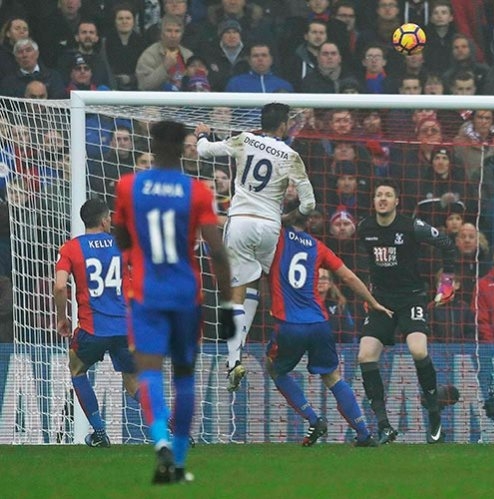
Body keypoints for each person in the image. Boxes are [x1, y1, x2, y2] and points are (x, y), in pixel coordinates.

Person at [113, 120, 235, 484]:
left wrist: (138, 251)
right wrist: (228, 305)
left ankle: (161, 441)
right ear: (184, 148)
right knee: (184, 377)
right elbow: (218, 252)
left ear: (151, 145)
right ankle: (179, 463)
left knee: (149, 371)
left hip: (146, 292)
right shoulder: (196, 191)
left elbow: (121, 237)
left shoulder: (128, 186)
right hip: (186, 294)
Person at [195, 102, 316, 392]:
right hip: (270, 226)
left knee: (236, 292)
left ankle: (233, 359)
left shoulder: (245, 140)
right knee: (260, 286)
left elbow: (204, 151)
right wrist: (289, 217)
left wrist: (202, 134)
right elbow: (309, 204)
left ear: (262, 122)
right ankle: (276, 346)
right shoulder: (291, 155)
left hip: (240, 222)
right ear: (284, 125)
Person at [266, 212, 392, 447]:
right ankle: (364, 434)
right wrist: (373, 302)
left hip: (289, 324)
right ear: (308, 223)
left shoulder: (276, 238)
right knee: (332, 376)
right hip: (319, 323)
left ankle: (313, 419)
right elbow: (349, 277)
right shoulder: (318, 246)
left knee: (274, 369)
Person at [357, 179, 457, 444]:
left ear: (396, 201)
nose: (383, 199)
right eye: (379, 194)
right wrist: (368, 292)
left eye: (388, 195)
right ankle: (384, 425)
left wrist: (446, 282)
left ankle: (434, 416)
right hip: (381, 302)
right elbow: (364, 262)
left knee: (418, 350)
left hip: (411, 298)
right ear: (374, 201)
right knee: (365, 356)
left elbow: (447, 244)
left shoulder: (412, 226)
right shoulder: (364, 228)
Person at [54, 198, 139, 448]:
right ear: (103, 220)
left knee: (77, 369)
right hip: (124, 327)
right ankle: (169, 422)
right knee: (133, 382)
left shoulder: (70, 248)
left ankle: (100, 432)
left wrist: (62, 318)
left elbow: (59, 286)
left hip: (92, 329)